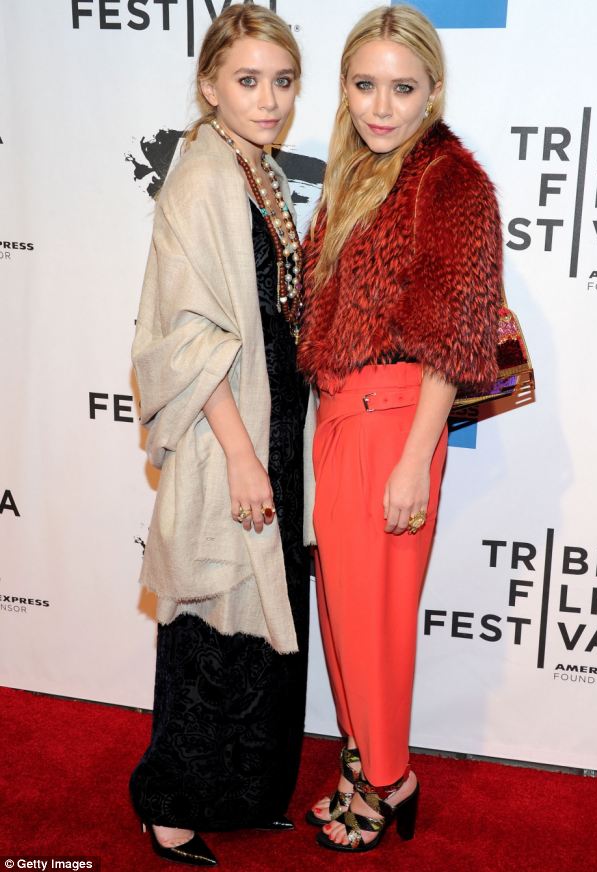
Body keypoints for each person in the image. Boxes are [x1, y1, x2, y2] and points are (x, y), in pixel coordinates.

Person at [298, 5, 502, 854]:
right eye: (365, 85)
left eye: (403, 88)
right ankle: (360, 760)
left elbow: (453, 335)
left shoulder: (451, 183)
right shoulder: (357, 173)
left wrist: (415, 461)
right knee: (345, 617)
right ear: (345, 88)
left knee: (374, 621)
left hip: (393, 427)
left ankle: (391, 778)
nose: (381, 106)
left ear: (434, 90)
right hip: (341, 416)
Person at [129, 6, 309, 866]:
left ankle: (242, 791)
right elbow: (188, 337)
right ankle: (169, 806)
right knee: (209, 618)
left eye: (283, 81)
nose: (269, 99)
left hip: (277, 418)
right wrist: (242, 455)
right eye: (248, 81)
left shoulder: (259, 169)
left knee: (262, 619)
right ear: (209, 87)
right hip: (226, 425)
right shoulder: (203, 179)